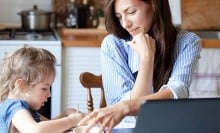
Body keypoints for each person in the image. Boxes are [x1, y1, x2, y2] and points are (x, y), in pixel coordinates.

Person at [78, 0, 201, 132]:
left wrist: (124, 107)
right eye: (119, 17)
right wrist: (146, 58)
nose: (125, 24)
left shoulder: (188, 41)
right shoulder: (113, 45)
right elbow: (131, 116)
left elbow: (176, 92)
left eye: (131, 12)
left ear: (154, 5)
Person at [0, 46, 84, 133]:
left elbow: (48, 125)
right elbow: (37, 130)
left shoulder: (26, 107)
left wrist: (65, 114)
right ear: (22, 86)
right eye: (44, 88)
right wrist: (71, 120)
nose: (49, 94)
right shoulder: (15, 108)